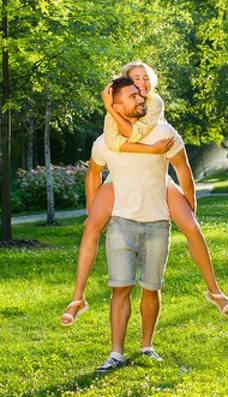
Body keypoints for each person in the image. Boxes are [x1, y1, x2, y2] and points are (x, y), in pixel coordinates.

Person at [60, 62, 228, 327]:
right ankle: (77, 298)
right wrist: (92, 207)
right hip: (119, 179)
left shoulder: (153, 106)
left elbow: (176, 163)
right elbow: (111, 148)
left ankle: (214, 290)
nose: (141, 83)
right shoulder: (113, 117)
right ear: (125, 85)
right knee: (91, 225)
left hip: (156, 178)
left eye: (146, 78)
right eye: (135, 79)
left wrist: (190, 201)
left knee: (191, 225)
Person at [89, 76, 192, 372]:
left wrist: (190, 208)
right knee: (120, 288)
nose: (141, 99)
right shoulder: (106, 143)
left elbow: (183, 169)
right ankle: (116, 353)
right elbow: (93, 173)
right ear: (116, 104)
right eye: (132, 96)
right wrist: (93, 211)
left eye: (140, 94)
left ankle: (147, 346)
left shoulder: (163, 131)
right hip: (121, 225)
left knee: (150, 288)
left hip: (158, 223)